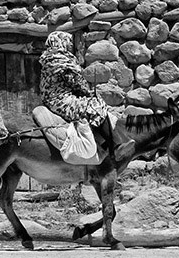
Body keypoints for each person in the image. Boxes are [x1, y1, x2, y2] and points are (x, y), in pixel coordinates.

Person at [39, 31, 135, 162]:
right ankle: (116, 146)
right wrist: (88, 92)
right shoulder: (61, 60)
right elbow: (76, 82)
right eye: (68, 43)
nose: (69, 46)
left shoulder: (48, 58)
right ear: (62, 43)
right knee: (95, 105)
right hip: (62, 101)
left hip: (52, 100)